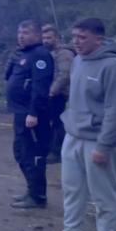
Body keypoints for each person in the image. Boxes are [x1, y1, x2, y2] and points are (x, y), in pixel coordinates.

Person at [40, 18, 116, 231]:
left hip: (97, 140)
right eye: (74, 36)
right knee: (72, 190)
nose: (76, 42)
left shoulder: (114, 67)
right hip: (73, 136)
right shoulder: (78, 61)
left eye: (82, 37)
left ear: (99, 39)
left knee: (104, 194)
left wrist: (104, 145)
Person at [5, 20, 54, 209]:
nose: (21, 36)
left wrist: (33, 112)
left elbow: (40, 87)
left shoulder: (40, 55)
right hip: (20, 112)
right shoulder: (24, 54)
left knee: (32, 154)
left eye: (25, 33)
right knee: (20, 152)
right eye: (19, 32)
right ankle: (31, 189)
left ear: (37, 35)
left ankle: (38, 196)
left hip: (31, 115)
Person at [41, 25, 74, 164]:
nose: (46, 40)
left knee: (58, 123)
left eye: (49, 37)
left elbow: (65, 75)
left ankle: (57, 152)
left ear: (57, 38)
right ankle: (51, 149)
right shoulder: (49, 52)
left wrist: (52, 91)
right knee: (51, 122)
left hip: (60, 94)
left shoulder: (64, 53)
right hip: (51, 93)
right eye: (44, 38)